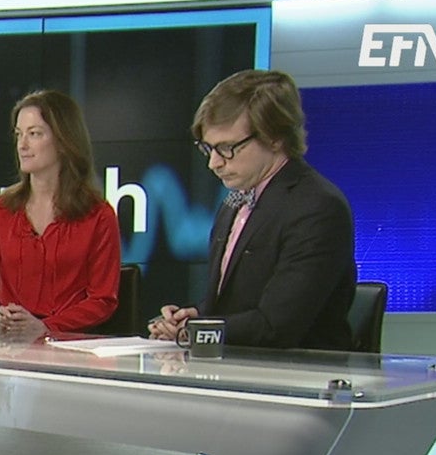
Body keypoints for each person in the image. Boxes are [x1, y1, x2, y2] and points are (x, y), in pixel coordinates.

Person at [148, 69, 355, 350]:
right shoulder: (234, 201)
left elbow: (275, 327)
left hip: (297, 372)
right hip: (234, 366)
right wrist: (193, 316)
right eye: (208, 149)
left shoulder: (317, 208)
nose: (214, 163)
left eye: (227, 148)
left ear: (274, 137)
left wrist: (193, 331)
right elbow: (236, 305)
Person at [0, 89, 121, 338]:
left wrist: (47, 327)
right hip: (9, 345)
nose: (22, 145)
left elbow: (102, 300)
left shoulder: (98, 216)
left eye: (34, 134)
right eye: (19, 134)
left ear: (63, 141)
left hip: (70, 347)